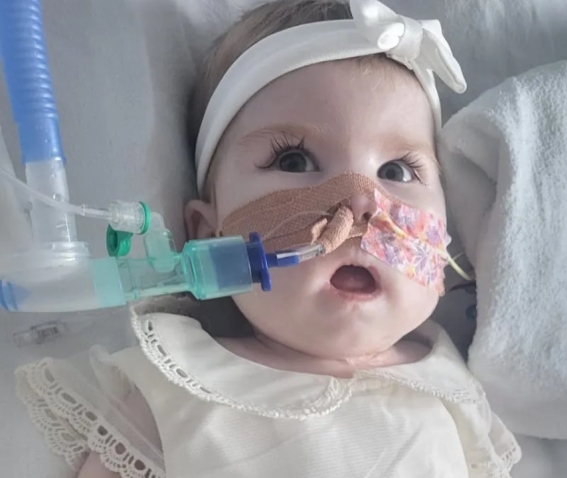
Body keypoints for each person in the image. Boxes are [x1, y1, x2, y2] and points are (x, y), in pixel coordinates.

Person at [15, 1, 519, 476]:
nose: (362, 205)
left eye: (396, 169)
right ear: (209, 234)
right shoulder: (176, 384)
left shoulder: (455, 393)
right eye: (294, 161)